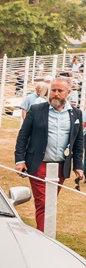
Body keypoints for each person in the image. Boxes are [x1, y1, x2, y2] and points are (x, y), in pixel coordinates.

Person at [14, 76, 84, 232]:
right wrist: (19, 160)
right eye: (53, 90)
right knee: (44, 202)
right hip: (39, 164)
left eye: (60, 91)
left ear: (68, 93)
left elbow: (78, 142)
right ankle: (44, 236)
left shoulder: (76, 114)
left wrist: (78, 166)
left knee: (50, 201)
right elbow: (23, 136)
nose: (56, 94)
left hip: (61, 167)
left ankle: (44, 234)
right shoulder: (36, 110)